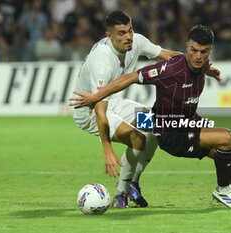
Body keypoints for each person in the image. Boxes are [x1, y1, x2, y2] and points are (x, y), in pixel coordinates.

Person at [70, 25, 231, 209]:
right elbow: (131, 77)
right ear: (187, 47)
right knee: (226, 137)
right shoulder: (169, 70)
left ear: (209, 50)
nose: (198, 56)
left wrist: (208, 71)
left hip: (188, 123)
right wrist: (97, 96)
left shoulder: (202, 63)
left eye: (203, 52)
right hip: (171, 133)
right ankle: (223, 191)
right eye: (193, 50)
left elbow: (201, 63)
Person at [71, 11, 182, 208]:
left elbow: (168, 56)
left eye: (130, 30)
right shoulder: (102, 62)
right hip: (89, 111)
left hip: (115, 101)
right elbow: (99, 110)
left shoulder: (136, 42)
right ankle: (121, 194)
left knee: (156, 125)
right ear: (109, 36)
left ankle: (133, 185)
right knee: (137, 138)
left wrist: (199, 65)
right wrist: (107, 150)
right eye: (121, 33)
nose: (128, 37)